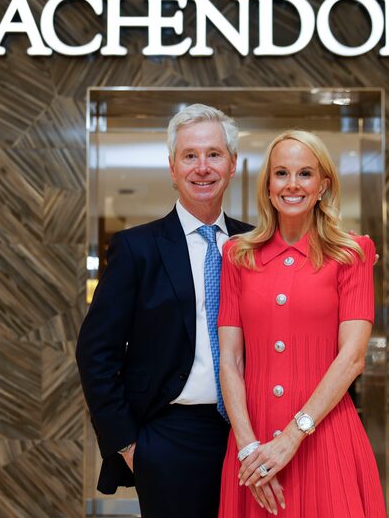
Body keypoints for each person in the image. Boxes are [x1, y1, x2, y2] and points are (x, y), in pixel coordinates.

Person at [76, 104, 253, 518]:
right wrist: (130, 445)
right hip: (170, 438)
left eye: (213, 154)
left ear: (233, 165)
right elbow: (95, 352)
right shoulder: (137, 249)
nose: (202, 167)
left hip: (251, 433)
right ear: (173, 168)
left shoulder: (255, 245)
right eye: (189, 156)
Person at [217, 130, 386, 517]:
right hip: (251, 442)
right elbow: (230, 360)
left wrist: (291, 438)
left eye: (305, 174)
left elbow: (353, 358)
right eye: (281, 173)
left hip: (325, 439)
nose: (292, 185)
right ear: (268, 185)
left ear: (323, 185)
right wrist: (249, 449)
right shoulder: (237, 255)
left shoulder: (352, 253)